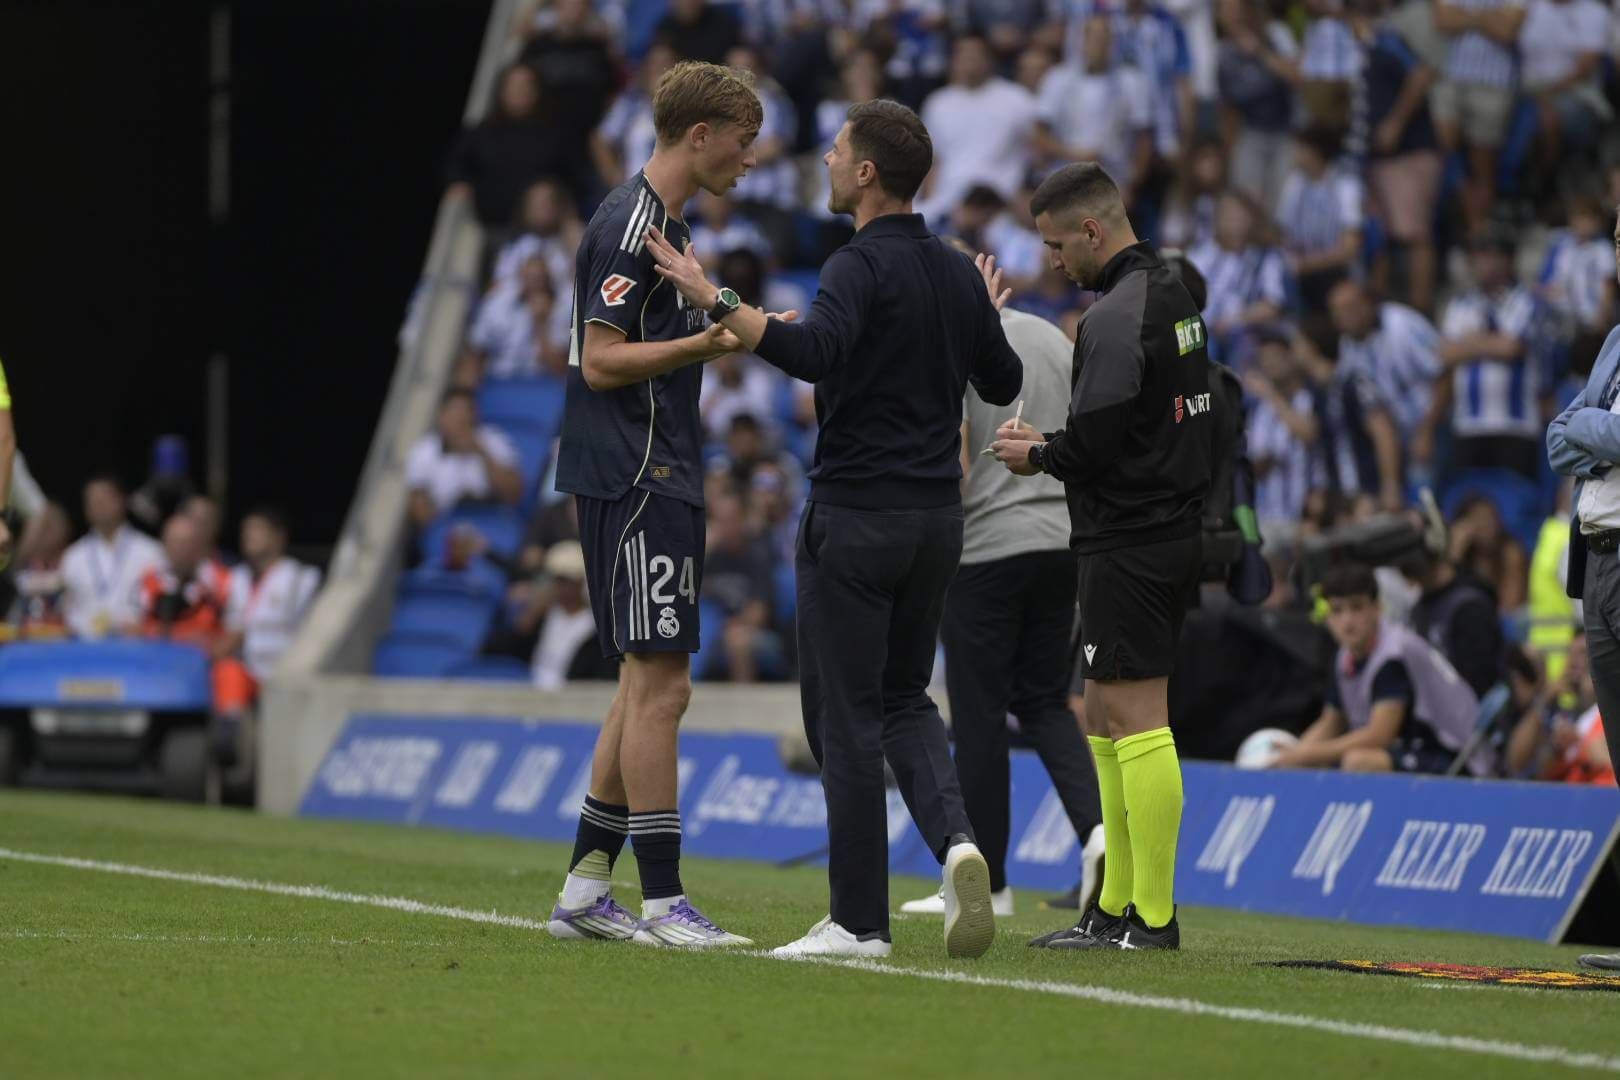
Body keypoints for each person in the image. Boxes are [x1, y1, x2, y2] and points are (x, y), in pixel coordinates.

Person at [647, 97, 1022, 959]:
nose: (823, 156)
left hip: (857, 517)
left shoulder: (857, 266)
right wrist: (979, 313)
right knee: (904, 701)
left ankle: (859, 923)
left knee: (845, 720)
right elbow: (999, 383)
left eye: (838, 148)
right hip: (937, 520)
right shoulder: (959, 270)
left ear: (865, 174)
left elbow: (812, 357)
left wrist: (715, 296)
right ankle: (960, 844)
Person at [548, 61, 764, 948]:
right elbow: (598, 360)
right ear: (699, 134)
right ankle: (665, 904)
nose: (749, 162)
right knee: (664, 689)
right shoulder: (630, 225)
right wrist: (707, 344)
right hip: (638, 474)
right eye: (742, 143)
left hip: (652, 469)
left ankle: (583, 891)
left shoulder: (665, 226)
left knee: (640, 686)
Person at [990, 161, 1212, 951]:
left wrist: (1035, 452)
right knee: (1107, 714)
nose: (1053, 261)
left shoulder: (1118, 315)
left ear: (1092, 229)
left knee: (1137, 718)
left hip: (1134, 536)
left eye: (1056, 245)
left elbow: (1099, 440)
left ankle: (1150, 917)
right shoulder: (1173, 291)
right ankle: (1113, 907)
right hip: (1154, 529)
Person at [898, 278, 1105, 922]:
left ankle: (989, 883)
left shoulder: (956, 342)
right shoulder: (1052, 337)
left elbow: (955, 467)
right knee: (1045, 702)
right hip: (1061, 543)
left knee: (980, 717)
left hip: (987, 547)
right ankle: (1099, 835)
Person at [1546, 205, 1620, 973]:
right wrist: (1594, 424)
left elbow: (1584, 432)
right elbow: (1554, 435)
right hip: (1597, 557)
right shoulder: (1614, 342)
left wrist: (1589, 425)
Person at [1272, 563, 1486, 774]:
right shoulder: (1344, 656)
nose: (1347, 621)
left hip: (1451, 753)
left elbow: (1379, 735)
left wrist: (1306, 755)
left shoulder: (1394, 655)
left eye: (1357, 607)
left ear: (1377, 608)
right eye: (1337, 610)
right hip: (1406, 749)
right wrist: (1293, 753)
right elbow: (1331, 721)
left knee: (1359, 761)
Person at [1433, 227, 1543, 479]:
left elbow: (1512, 347)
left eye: (1490, 255)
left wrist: (1469, 344)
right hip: (1468, 426)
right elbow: (1445, 354)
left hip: (1516, 426)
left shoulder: (1524, 300)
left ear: (1508, 260)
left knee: (1514, 502)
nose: (1482, 263)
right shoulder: (1460, 305)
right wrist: (1490, 343)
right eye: (1478, 256)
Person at [139, 514, 255, 720]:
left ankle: (228, 733)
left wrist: (205, 652)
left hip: (205, 663)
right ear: (164, 546)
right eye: (174, 542)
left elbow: (237, 633)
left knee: (232, 672)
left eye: (186, 543)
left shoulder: (226, 580)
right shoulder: (146, 582)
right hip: (155, 663)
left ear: (201, 546)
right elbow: (130, 629)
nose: (180, 549)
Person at [222, 508, 321, 686]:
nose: (248, 536)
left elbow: (310, 634)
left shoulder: (302, 579)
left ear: (279, 537)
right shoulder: (235, 578)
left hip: (282, 674)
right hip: (243, 672)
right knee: (227, 672)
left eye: (257, 529)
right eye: (245, 530)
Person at [61, 475, 163, 640]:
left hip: (137, 647)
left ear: (122, 501)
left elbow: (158, 604)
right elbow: (67, 608)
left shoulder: (151, 551)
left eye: (104, 499)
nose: (98, 506)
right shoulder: (72, 556)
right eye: (92, 501)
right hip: (85, 649)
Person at [405, 389, 524, 529]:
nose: (459, 421)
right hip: (447, 523)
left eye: (465, 415)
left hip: (494, 519)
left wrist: (481, 453)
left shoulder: (492, 440)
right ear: (441, 416)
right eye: (454, 415)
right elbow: (420, 512)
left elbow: (514, 494)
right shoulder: (423, 452)